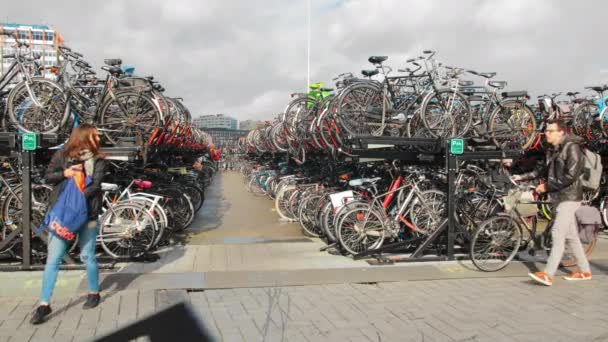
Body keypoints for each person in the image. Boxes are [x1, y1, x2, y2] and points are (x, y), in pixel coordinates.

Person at [30, 124, 107, 324]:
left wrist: (77, 199)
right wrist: (66, 174)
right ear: (84, 138)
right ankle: (44, 304)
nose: (98, 139)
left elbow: (96, 186)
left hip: (87, 214)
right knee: (53, 258)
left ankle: (93, 292)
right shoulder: (61, 156)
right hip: (62, 215)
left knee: (88, 255)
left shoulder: (99, 160)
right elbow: (48, 176)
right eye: (95, 136)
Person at [511, 120, 592, 286]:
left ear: (561, 132)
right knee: (571, 236)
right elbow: (542, 170)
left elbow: (571, 175)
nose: (546, 133)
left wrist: (547, 186)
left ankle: (548, 274)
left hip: (569, 197)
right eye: (546, 131)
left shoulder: (572, 148)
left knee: (557, 233)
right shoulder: (553, 149)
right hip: (559, 196)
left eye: (550, 131)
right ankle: (585, 271)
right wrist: (523, 177)